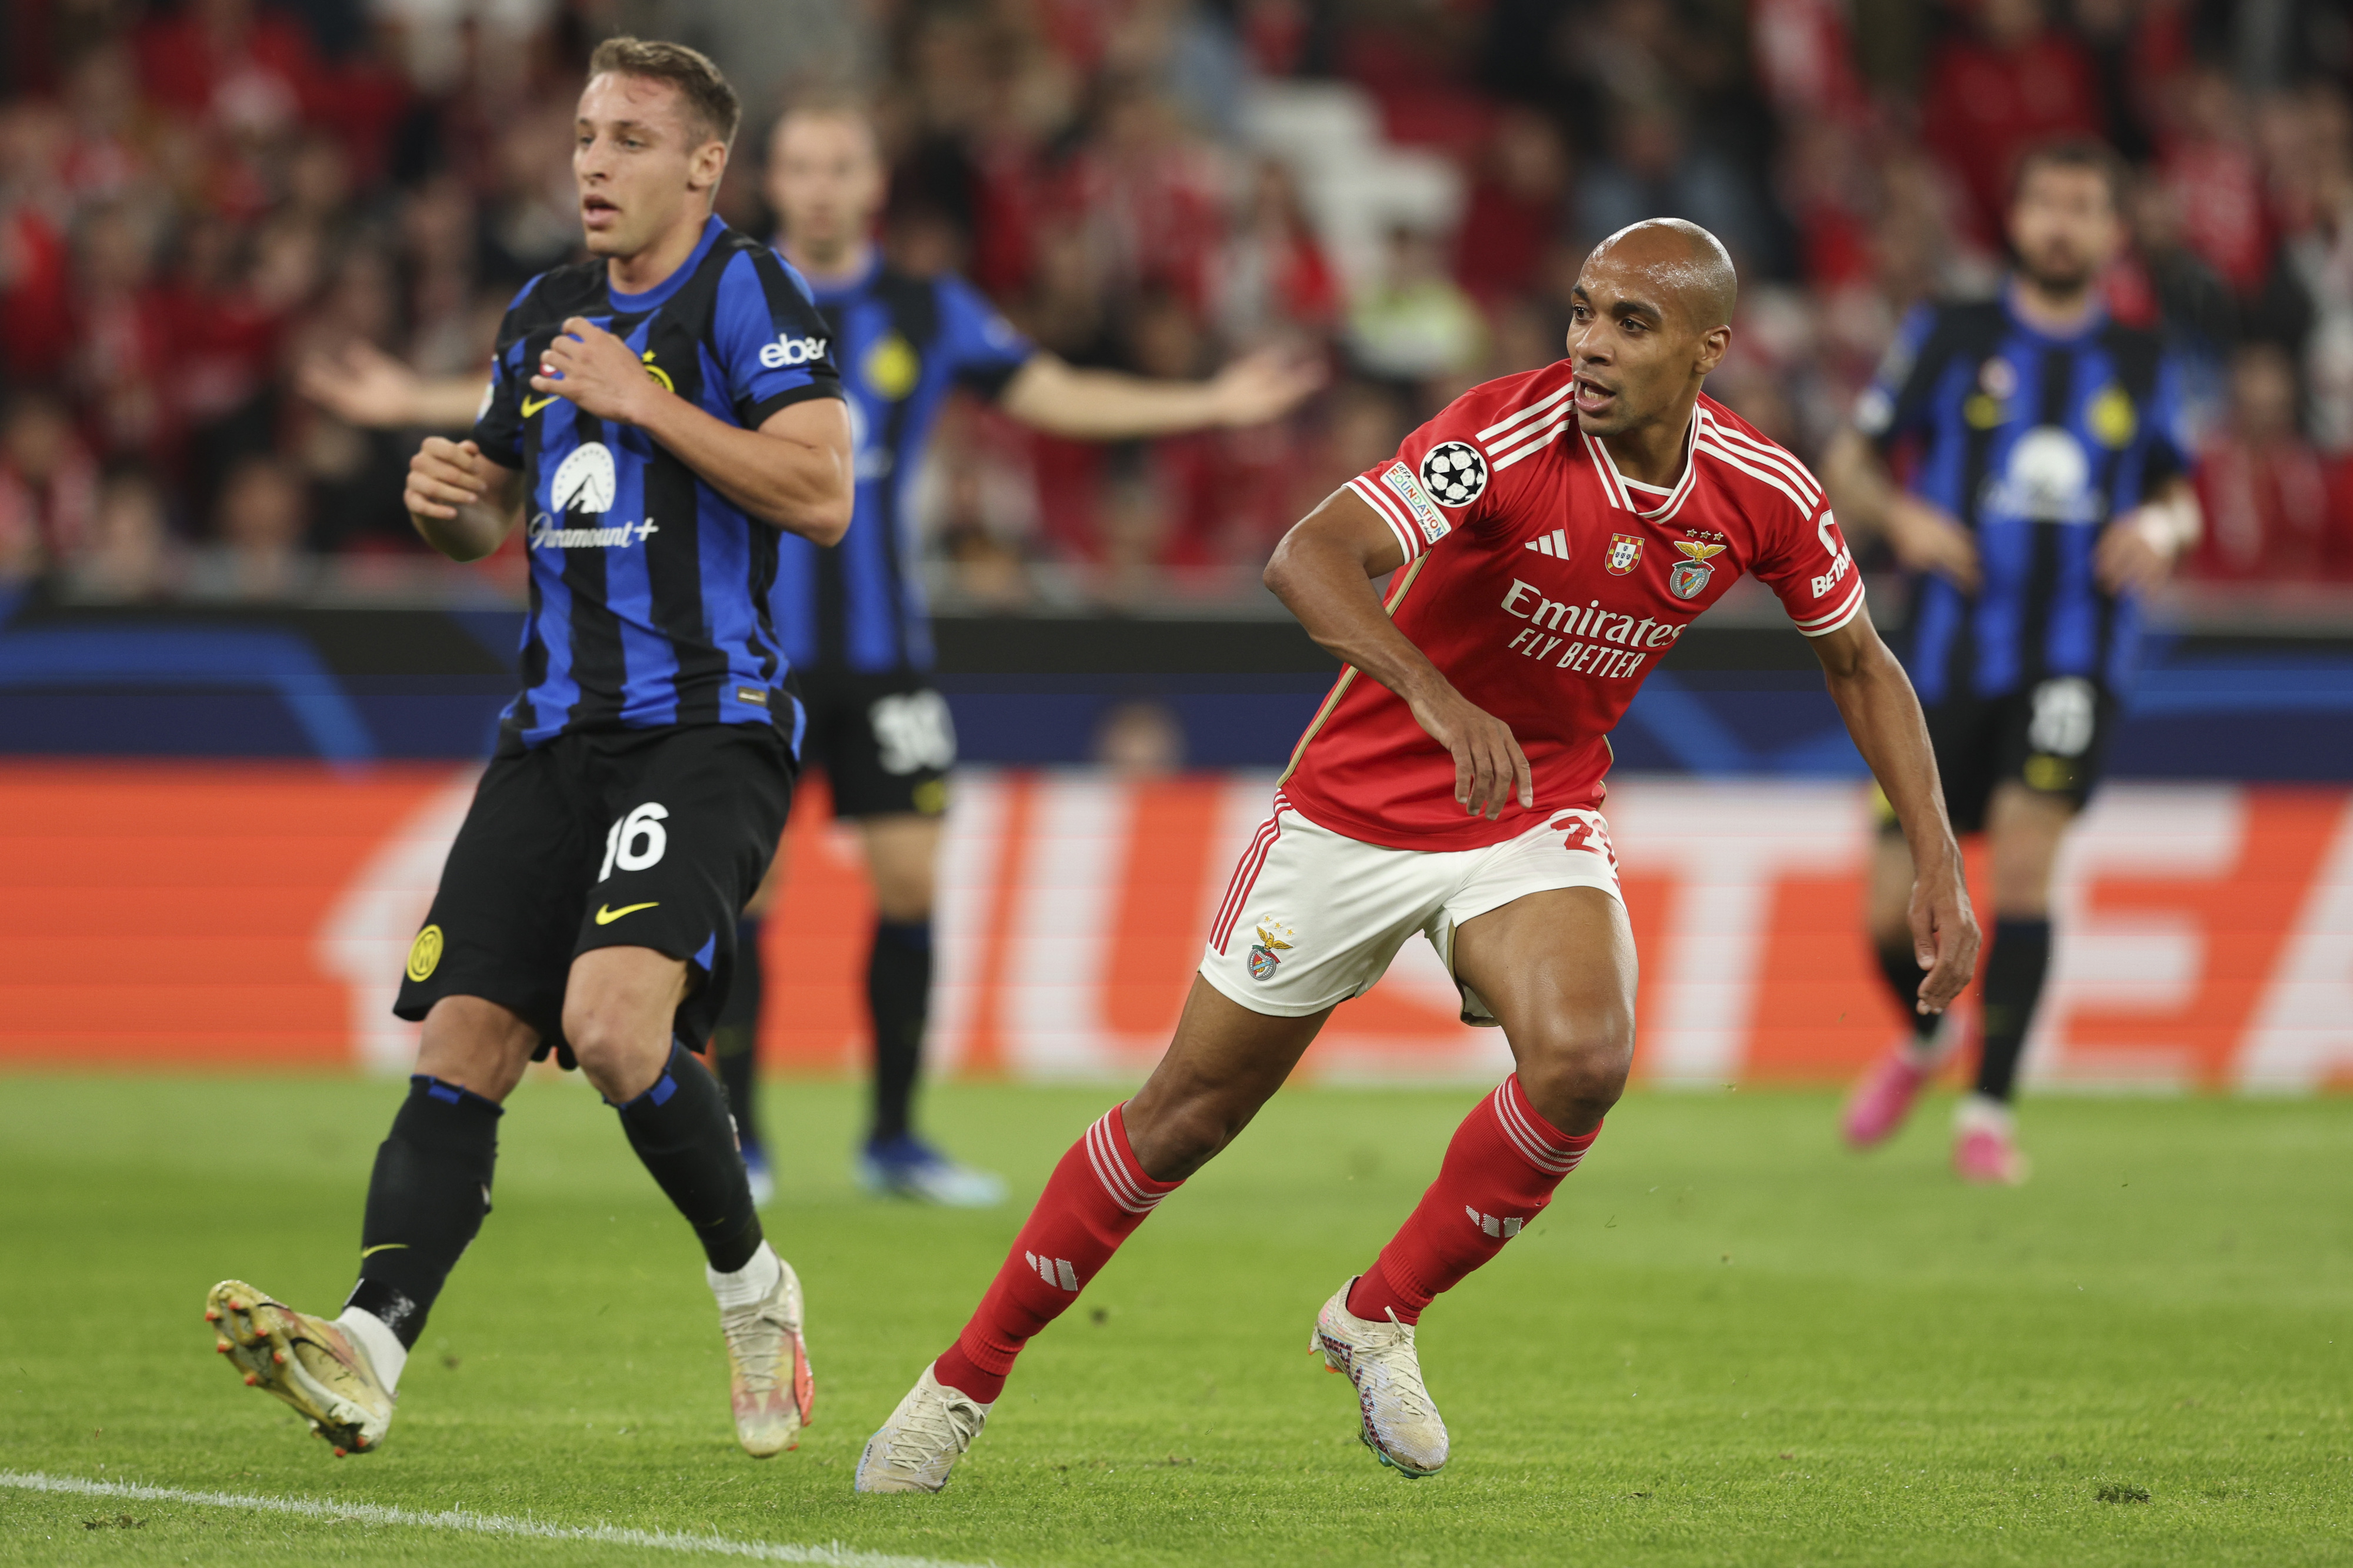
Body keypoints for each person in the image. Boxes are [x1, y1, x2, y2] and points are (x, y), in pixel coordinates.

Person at [852, 218, 1979, 1492]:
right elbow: (1307, 557)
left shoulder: (1759, 491)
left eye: (1629, 323)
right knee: (1184, 1117)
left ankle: (1374, 1315)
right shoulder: (1500, 435)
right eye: (1578, 311)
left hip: (1528, 807)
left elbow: (1857, 660)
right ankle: (958, 1386)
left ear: (1709, 348)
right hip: (1353, 811)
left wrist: (1934, 854)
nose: (1588, 345)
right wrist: (1434, 698)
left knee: (1583, 1060)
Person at [204, 38, 854, 1462]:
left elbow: (821, 492)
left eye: (627, 139)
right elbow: (490, 511)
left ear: (702, 164)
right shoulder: (542, 311)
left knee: (621, 1029)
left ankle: (753, 1290)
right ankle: (366, 1346)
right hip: (550, 739)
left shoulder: (749, 293)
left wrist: (650, 403)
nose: (591, 165)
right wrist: (446, 500)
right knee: (461, 1041)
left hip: (704, 727)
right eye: (580, 136)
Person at [715, 102, 1323, 1207]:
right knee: (754, 892)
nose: (816, 185)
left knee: (909, 881)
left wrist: (1208, 399)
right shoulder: (728, 298)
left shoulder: (925, 307)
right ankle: (743, 1138)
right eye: (798, 165)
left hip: (888, 655)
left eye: (838, 164)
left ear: (872, 184)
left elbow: (1056, 394)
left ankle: (893, 1138)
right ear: (772, 179)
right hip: (757, 655)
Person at [1827, 139, 2199, 1183]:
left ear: (2114, 232)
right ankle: (1928, 1038)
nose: (2062, 224)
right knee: (1884, 904)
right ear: (2017, 216)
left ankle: (1986, 1111)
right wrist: (1904, 513)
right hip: (1939, 664)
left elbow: (2179, 491)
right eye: (2047, 202)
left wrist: (2165, 532)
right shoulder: (1948, 334)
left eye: (2085, 207)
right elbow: (1849, 460)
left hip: (2073, 659)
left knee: (2028, 864)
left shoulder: (2141, 359)